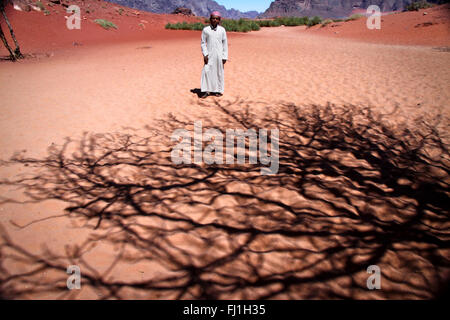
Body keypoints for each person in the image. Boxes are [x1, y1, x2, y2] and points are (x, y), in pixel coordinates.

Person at [200, 11, 228, 98]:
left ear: (219, 20)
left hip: (219, 55)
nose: (214, 20)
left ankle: (218, 90)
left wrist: (224, 56)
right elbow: (203, 43)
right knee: (207, 71)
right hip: (209, 55)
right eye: (213, 18)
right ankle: (206, 91)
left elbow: (225, 44)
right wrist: (205, 54)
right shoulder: (206, 30)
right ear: (210, 19)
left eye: (216, 18)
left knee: (219, 72)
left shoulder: (222, 30)